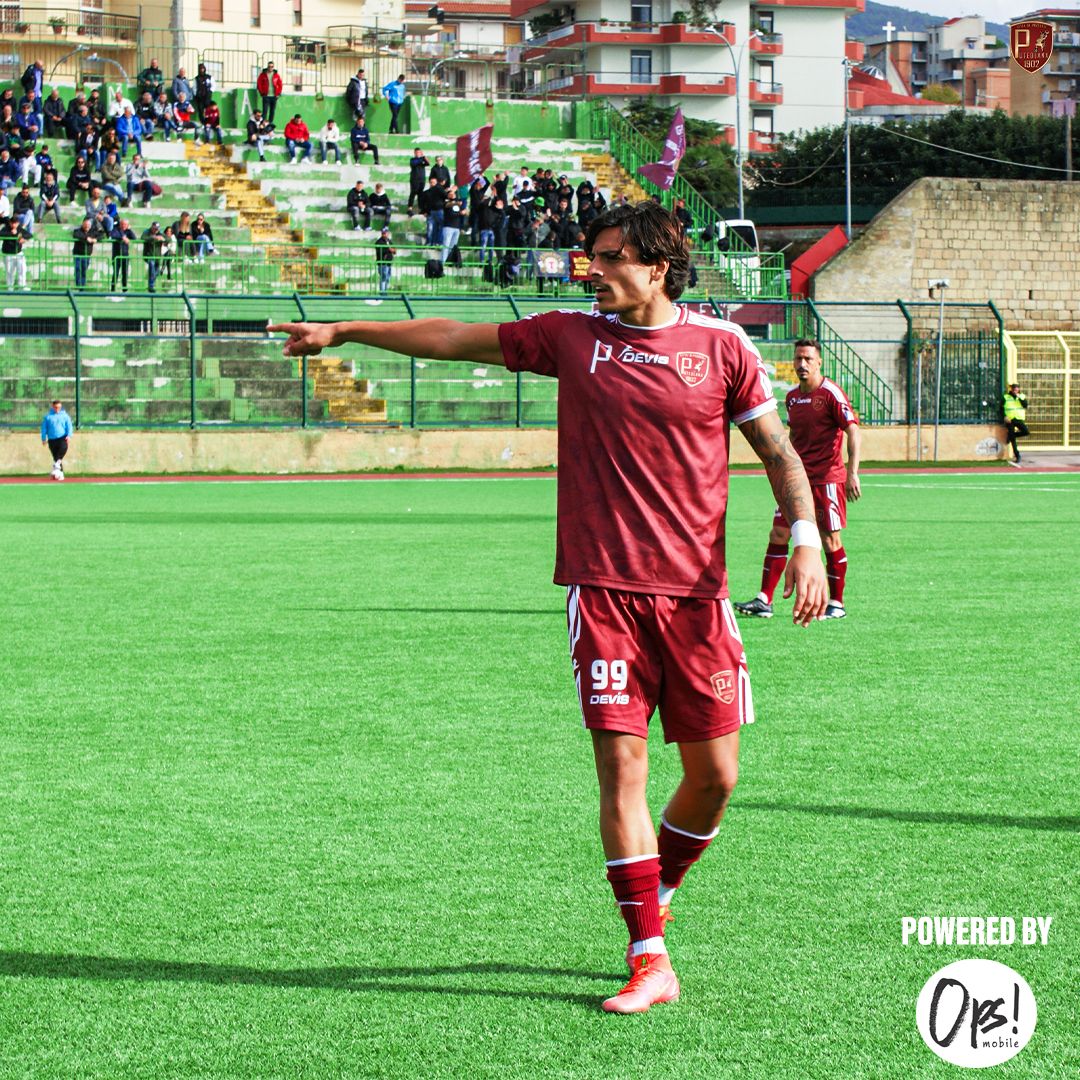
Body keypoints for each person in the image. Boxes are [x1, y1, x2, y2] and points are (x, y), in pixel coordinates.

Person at [269, 202, 827, 1014]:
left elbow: (777, 453)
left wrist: (806, 538)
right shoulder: (571, 337)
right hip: (601, 591)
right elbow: (456, 339)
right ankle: (649, 957)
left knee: (714, 780)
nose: (591, 270)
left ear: (656, 266)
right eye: (590, 257)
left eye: (607, 258)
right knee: (624, 771)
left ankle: (657, 885)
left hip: (699, 599)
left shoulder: (722, 348)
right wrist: (350, 330)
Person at [735, 338, 860, 621]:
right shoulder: (792, 398)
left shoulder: (831, 393)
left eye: (807, 359)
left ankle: (837, 604)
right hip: (796, 483)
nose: (801, 364)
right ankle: (764, 599)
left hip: (827, 478)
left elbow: (853, 430)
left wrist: (852, 472)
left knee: (830, 540)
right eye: (798, 359)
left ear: (819, 363)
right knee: (778, 534)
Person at [41, 399, 73, 479]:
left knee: (62, 451)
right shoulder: (48, 417)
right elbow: (44, 428)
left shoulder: (65, 416)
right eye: (55, 407)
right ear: (53, 407)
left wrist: (69, 435)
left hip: (62, 438)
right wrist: (43, 438)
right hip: (52, 439)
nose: (57, 409)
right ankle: (60, 474)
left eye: (59, 407)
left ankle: (56, 467)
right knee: (56, 457)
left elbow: (69, 426)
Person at [1001, 382, 1029, 466]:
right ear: (1011, 390)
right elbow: (1001, 408)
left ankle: (1010, 436)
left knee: (1026, 432)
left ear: (1019, 390)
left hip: (1019, 419)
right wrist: (1005, 416)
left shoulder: (1022, 396)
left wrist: (1019, 397)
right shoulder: (1006, 397)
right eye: (1014, 390)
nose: (1015, 391)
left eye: (1017, 390)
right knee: (1013, 440)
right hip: (1010, 420)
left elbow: (1025, 405)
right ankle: (1017, 455)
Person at [2, 214, 30, 289]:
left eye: (16, 223)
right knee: (10, 272)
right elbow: (1, 234)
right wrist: (11, 233)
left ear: (18, 223)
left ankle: (22, 286)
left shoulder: (19, 229)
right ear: (10, 223)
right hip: (8, 254)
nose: (14, 224)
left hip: (18, 253)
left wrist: (24, 239)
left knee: (22, 269)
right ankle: (10, 287)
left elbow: (28, 235)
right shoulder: (6, 228)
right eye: (13, 223)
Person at [72, 217, 100, 288]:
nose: (87, 226)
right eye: (86, 225)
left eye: (88, 225)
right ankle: (79, 286)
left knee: (84, 270)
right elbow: (76, 235)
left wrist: (96, 239)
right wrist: (86, 238)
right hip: (77, 253)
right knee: (78, 269)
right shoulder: (78, 230)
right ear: (83, 224)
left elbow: (102, 235)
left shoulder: (92, 232)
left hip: (87, 254)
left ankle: (82, 286)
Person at [109, 217, 136, 291]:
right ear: (120, 224)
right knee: (116, 273)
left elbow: (134, 238)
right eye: (122, 224)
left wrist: (129, 229)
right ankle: (113, 288)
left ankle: (124, 288)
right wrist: (122, 237)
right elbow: (113, 235)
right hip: (116, 255)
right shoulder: (115, 229)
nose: (124, 226)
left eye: (125, 224)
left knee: (125, 272)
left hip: (125, 255)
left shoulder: (128, 231)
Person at [142, 221, 166, 292]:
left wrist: (163, 238)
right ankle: (151, 286)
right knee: (152, 266)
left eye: (157, 228)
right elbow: (143, 238)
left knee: (157, 271)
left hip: (158, 256)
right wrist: (154, 238)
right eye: (155, 228)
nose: (156, 230)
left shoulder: (160, 233)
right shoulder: (147, 232)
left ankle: (151, 282)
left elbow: (168, 239)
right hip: (149, 254)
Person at [374, 225, 395, 294]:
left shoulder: (389, 241)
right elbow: (382, 250)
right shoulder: (379, 241)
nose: (385, 234)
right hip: (382, 263)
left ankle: (385, 292)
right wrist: (389, 249)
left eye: (386, 232)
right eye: (383, 232)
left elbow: (394, 250)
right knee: (383, 277)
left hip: (389, 263)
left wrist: (391, 250)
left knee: (388, 278)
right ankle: (382, 292)